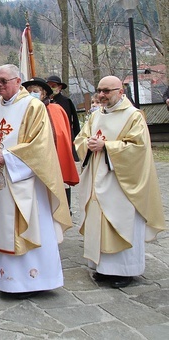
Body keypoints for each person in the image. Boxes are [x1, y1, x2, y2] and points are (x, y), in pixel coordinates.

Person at [0, 64, 72, 298]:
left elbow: (41, 144)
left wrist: (7, 157)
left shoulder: (33, 107)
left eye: (3, 81)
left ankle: (33, 280)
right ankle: (8, 280)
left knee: (30, 226)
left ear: (18, 81)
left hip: (26, 182)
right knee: (2, 226)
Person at [74, 75, 166, 288]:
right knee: (99, 222)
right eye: (100, 90)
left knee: (120, 222)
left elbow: (138, 148)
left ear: (121, 91)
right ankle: (103, 268)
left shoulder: (133, 116)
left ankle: (125, 271)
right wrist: (88, 143)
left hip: (121, 182)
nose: (102, 95)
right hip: (98, 180)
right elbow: (81, 139)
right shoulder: (96, 115)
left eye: (107, 91)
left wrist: (106, 147)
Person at [22, 77, 79, 196]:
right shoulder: (21, 112)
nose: (32, 94)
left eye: (36, 91)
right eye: (29, 91)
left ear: (43, 93)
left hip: (54, 161)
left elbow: (62, 135)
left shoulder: (56, 110)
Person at [47, 75, 81, 210]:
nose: (51, 88)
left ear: (60, 87)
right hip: (50, 141)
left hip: (65, 139)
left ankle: (67, 206)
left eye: (53, 85)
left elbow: (75, 122)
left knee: (64, 173)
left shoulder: (66, 101)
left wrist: (76, 140)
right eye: (49, 85)